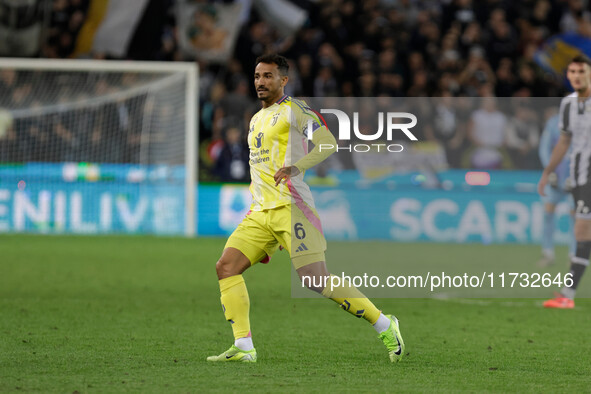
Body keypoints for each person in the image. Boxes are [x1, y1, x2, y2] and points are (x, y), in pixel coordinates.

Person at [207, 54, 404, 363]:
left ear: (283, 80)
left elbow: (327, 142)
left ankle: (385, 324)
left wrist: (297, 167)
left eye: (268, 76)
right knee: (226, 267)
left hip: (292, 207)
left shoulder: (295, 112)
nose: (260, 81)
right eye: (257, 76)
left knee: (315, 279)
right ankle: (244, 347)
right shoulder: (256, 118)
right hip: (260, 212)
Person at [538, 54, 591, 308]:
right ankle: (567, 295)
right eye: (572, 72)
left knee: (582, 230)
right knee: (582, 231)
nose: (576, 76)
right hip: (578, 176)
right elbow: (564, 141)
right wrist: (548, 170)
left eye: (581, 71)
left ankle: (567, 295)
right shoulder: (568, 104)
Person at [537, 111, 576, 267]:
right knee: (548, 212)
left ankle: (574, 255)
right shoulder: (553, 123)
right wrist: (549, 170)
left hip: (574, 177)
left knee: (575, 216)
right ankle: (548, 253)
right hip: (556, 175)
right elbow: (544, 148)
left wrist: (576, 175)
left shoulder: (583, 122)